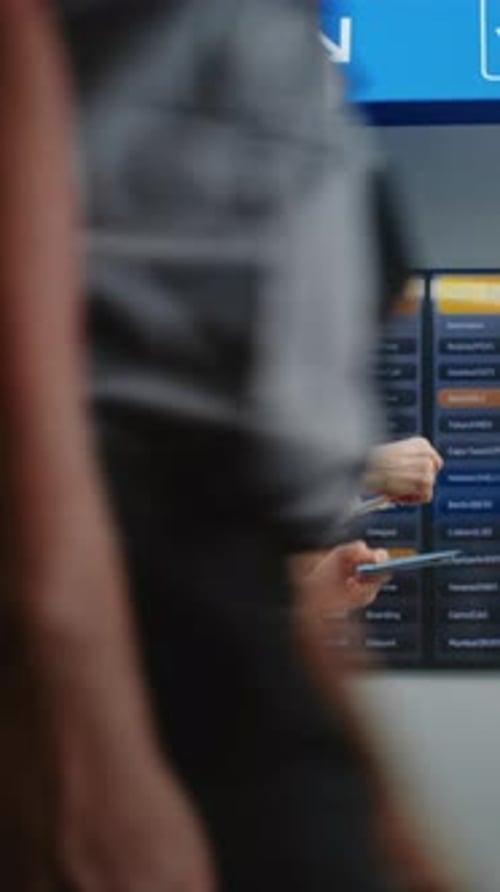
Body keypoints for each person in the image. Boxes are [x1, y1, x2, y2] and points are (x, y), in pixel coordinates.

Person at [0, 3, 453, 891]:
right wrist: (91, 743)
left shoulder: (276, 66)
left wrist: (382, 812)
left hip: (228, 649)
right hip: (103, 662)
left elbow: (245, 516)